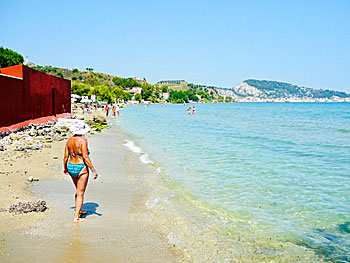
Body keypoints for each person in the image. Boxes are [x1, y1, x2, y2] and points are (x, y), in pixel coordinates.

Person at [63, 121, 98, 223]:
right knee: (80, 193)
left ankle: (79, 210)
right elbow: (85, 157)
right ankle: (76, 217)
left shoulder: (69, 141)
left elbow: (65, 156)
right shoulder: (83, 140)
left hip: (70, 166)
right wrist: (93, 170)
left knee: (78, 191)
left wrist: (65, 167)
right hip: (81, 167)